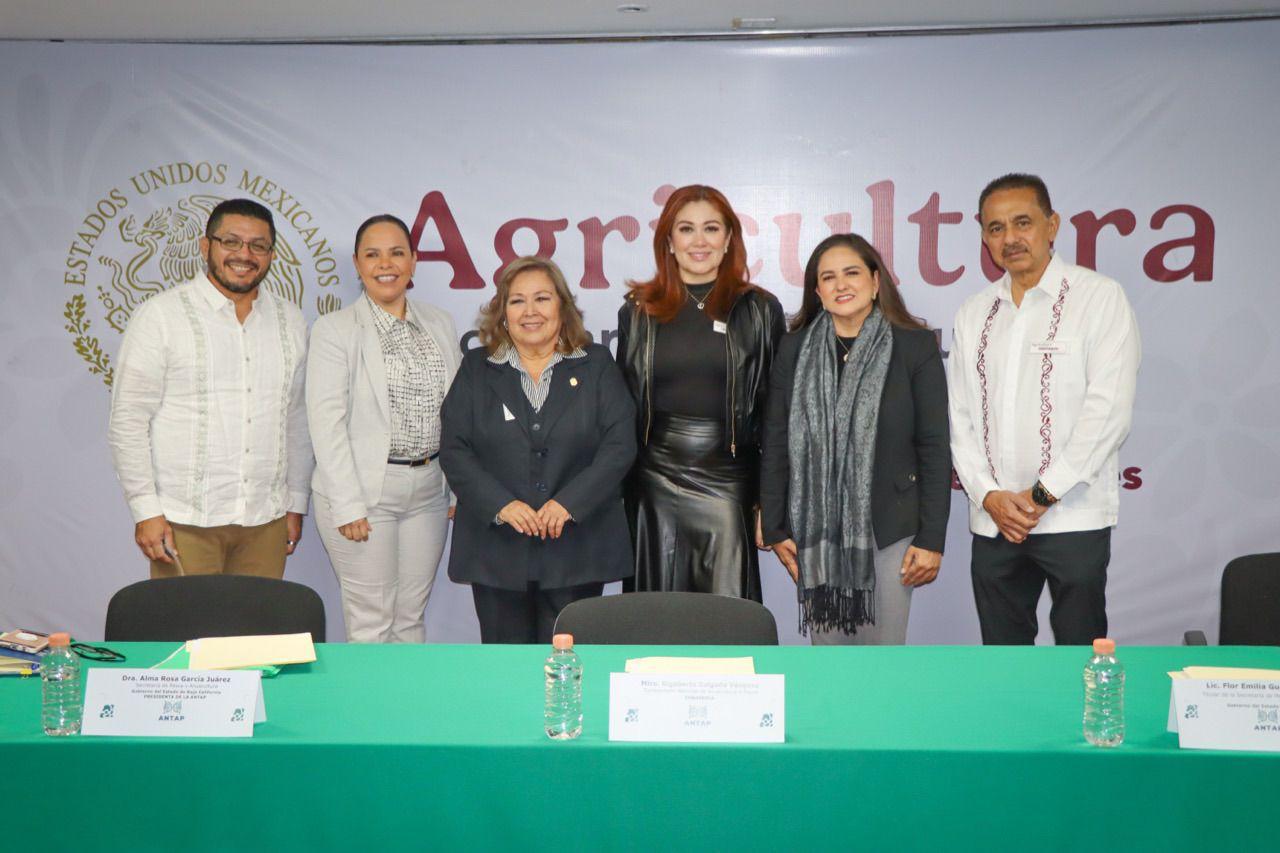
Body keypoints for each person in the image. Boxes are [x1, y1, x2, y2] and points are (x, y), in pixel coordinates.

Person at [949, 173, 1141, 645]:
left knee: (1080, 654)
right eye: (995, 228)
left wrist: (1040, 496)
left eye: (1023, 223)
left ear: (1052, 225)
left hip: (1073, 515)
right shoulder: (974, 312)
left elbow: (1108, 413)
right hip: (995, 521)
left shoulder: (1099, 298)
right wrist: (990, 496)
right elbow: (960, 418)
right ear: (984, 237)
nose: (1010, 238)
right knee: (1004, 659)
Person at [759, 234, 950, 644]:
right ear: (817, 291)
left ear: (876, 282)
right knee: (830, 662)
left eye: (852, 273)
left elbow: (934, 447)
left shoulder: (914, 346)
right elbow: (775, 441)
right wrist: (774, 528)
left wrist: (932, 539)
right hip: (817, 536)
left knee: (882, 658)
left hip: (891, 529)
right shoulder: (794, 350)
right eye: (828, 277)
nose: (841, 285)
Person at [108, 198, 312, 578]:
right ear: (206, 246)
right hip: (183, 522)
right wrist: (145, 511)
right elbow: (128, 421)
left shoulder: (290, 321)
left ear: (271, 254)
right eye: (231, 242)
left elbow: (296, 418)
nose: (244, 255)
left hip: (265, 521)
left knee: (259, 620)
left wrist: (295, 502)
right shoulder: (161, 316)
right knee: (185, 619)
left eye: (258, 246)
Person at [440, 256, 636, 644]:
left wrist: (569, 504)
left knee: (570, 663)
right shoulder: (477, 367)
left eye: (542, 298)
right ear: (503, 312)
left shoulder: (596, 364)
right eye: (517, 301)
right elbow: (454, 448)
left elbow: (619, 445)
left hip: (577, 548)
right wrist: (502, 505)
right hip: (497, 550)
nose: (530, 311)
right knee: (506, 668)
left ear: (562, 306)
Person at [616, 184, 784, 602]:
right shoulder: (637, 311)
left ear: (728, 240)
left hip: (728, 479)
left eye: (711, 228)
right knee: (655, 617)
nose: (699, 241)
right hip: (652, 480)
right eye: (686, 229)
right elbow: (623, 409)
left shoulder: (760, 310)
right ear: (669, 242)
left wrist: (770, 500)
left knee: (726, 618)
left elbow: (777, 415)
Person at [306, 214, 460, 643]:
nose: (385, 264)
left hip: (429, 492)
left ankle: (407, 692)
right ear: (358, 264)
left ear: (414, 260)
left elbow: (457, 412)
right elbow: (326, 423)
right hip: (364, 494)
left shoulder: (440, 322)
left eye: (396, 253)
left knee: (410, 619)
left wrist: (455, 488)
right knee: (371, 623)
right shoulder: (334, 330)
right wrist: (347, 505)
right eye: (372, 255)